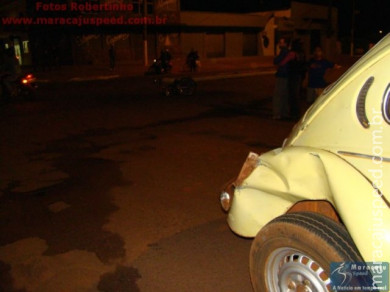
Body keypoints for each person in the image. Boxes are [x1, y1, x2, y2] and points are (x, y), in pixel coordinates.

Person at [272, 37, 290, 120]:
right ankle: (284, 112)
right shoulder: (289, 52)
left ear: (285, 44)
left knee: (278, 95)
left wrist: (276, 58)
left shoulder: (284, 52)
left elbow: (276, 61)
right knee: (284, 94)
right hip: (287, 75)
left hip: (282, 75)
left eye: (281, 42)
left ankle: (277, 114)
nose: (280, 44)